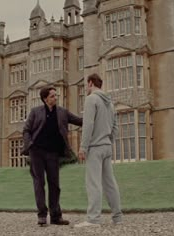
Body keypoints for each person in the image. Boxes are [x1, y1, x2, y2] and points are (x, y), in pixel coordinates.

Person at [21, 86, 82, 226]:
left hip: (53, 153)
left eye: (56, 95)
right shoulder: (35, 112)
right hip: (36, 152)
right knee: (39, 183)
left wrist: (95, 115)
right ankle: (42, 215)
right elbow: (26, 130)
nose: (56, 98)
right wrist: (29, 144)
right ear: (45, 99)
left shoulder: (62, 112)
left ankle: (55, 216)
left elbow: (79, 121)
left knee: (55, 185)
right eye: (53, 96)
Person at [74, 73, 122, 228]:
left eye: (86, 85)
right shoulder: (110, 103)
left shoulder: (91, 99)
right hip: (107, 146)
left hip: (95, 148)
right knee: (110, 183)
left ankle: (93, 219)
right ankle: (117, 217)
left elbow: (88, 125)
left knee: (93, 183)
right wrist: (109, 142)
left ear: (90, 83)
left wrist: (83, 147)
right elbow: (115, 127)